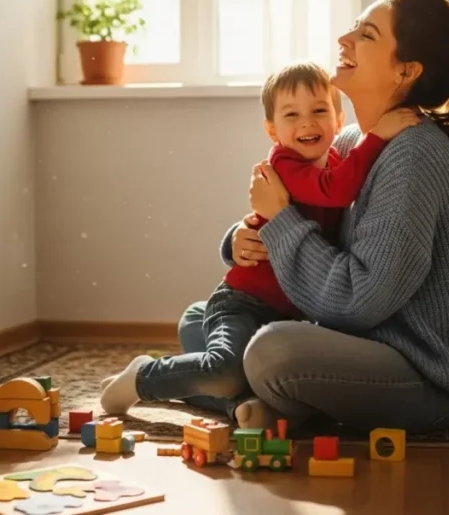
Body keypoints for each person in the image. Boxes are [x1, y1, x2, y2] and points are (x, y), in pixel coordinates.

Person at [183, 0, 449, 433]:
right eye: (353, 29)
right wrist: (241, 238)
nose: (344, 40)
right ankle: (250, 403)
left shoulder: (414, 155)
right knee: (201, 318)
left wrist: (280, 221)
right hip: (360, 344)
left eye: (366, 35)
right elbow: (303, 215)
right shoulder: (351, 142)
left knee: (270, 351)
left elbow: (359, 301)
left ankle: (240, 392)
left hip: (422, 379)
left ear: (404, 71)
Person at [98, 61, 418, 420]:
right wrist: (378, 136)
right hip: (243, 303)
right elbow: (338, 191)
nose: (307, 123)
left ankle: (239, 407)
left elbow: (344, 184)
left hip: (285, 313)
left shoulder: (338, 159)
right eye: (292, 115)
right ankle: (143, 376)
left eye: (319, 111)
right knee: (224, 371)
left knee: (245, 378)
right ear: (272, 130)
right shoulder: (284, 164)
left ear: (339, 119)